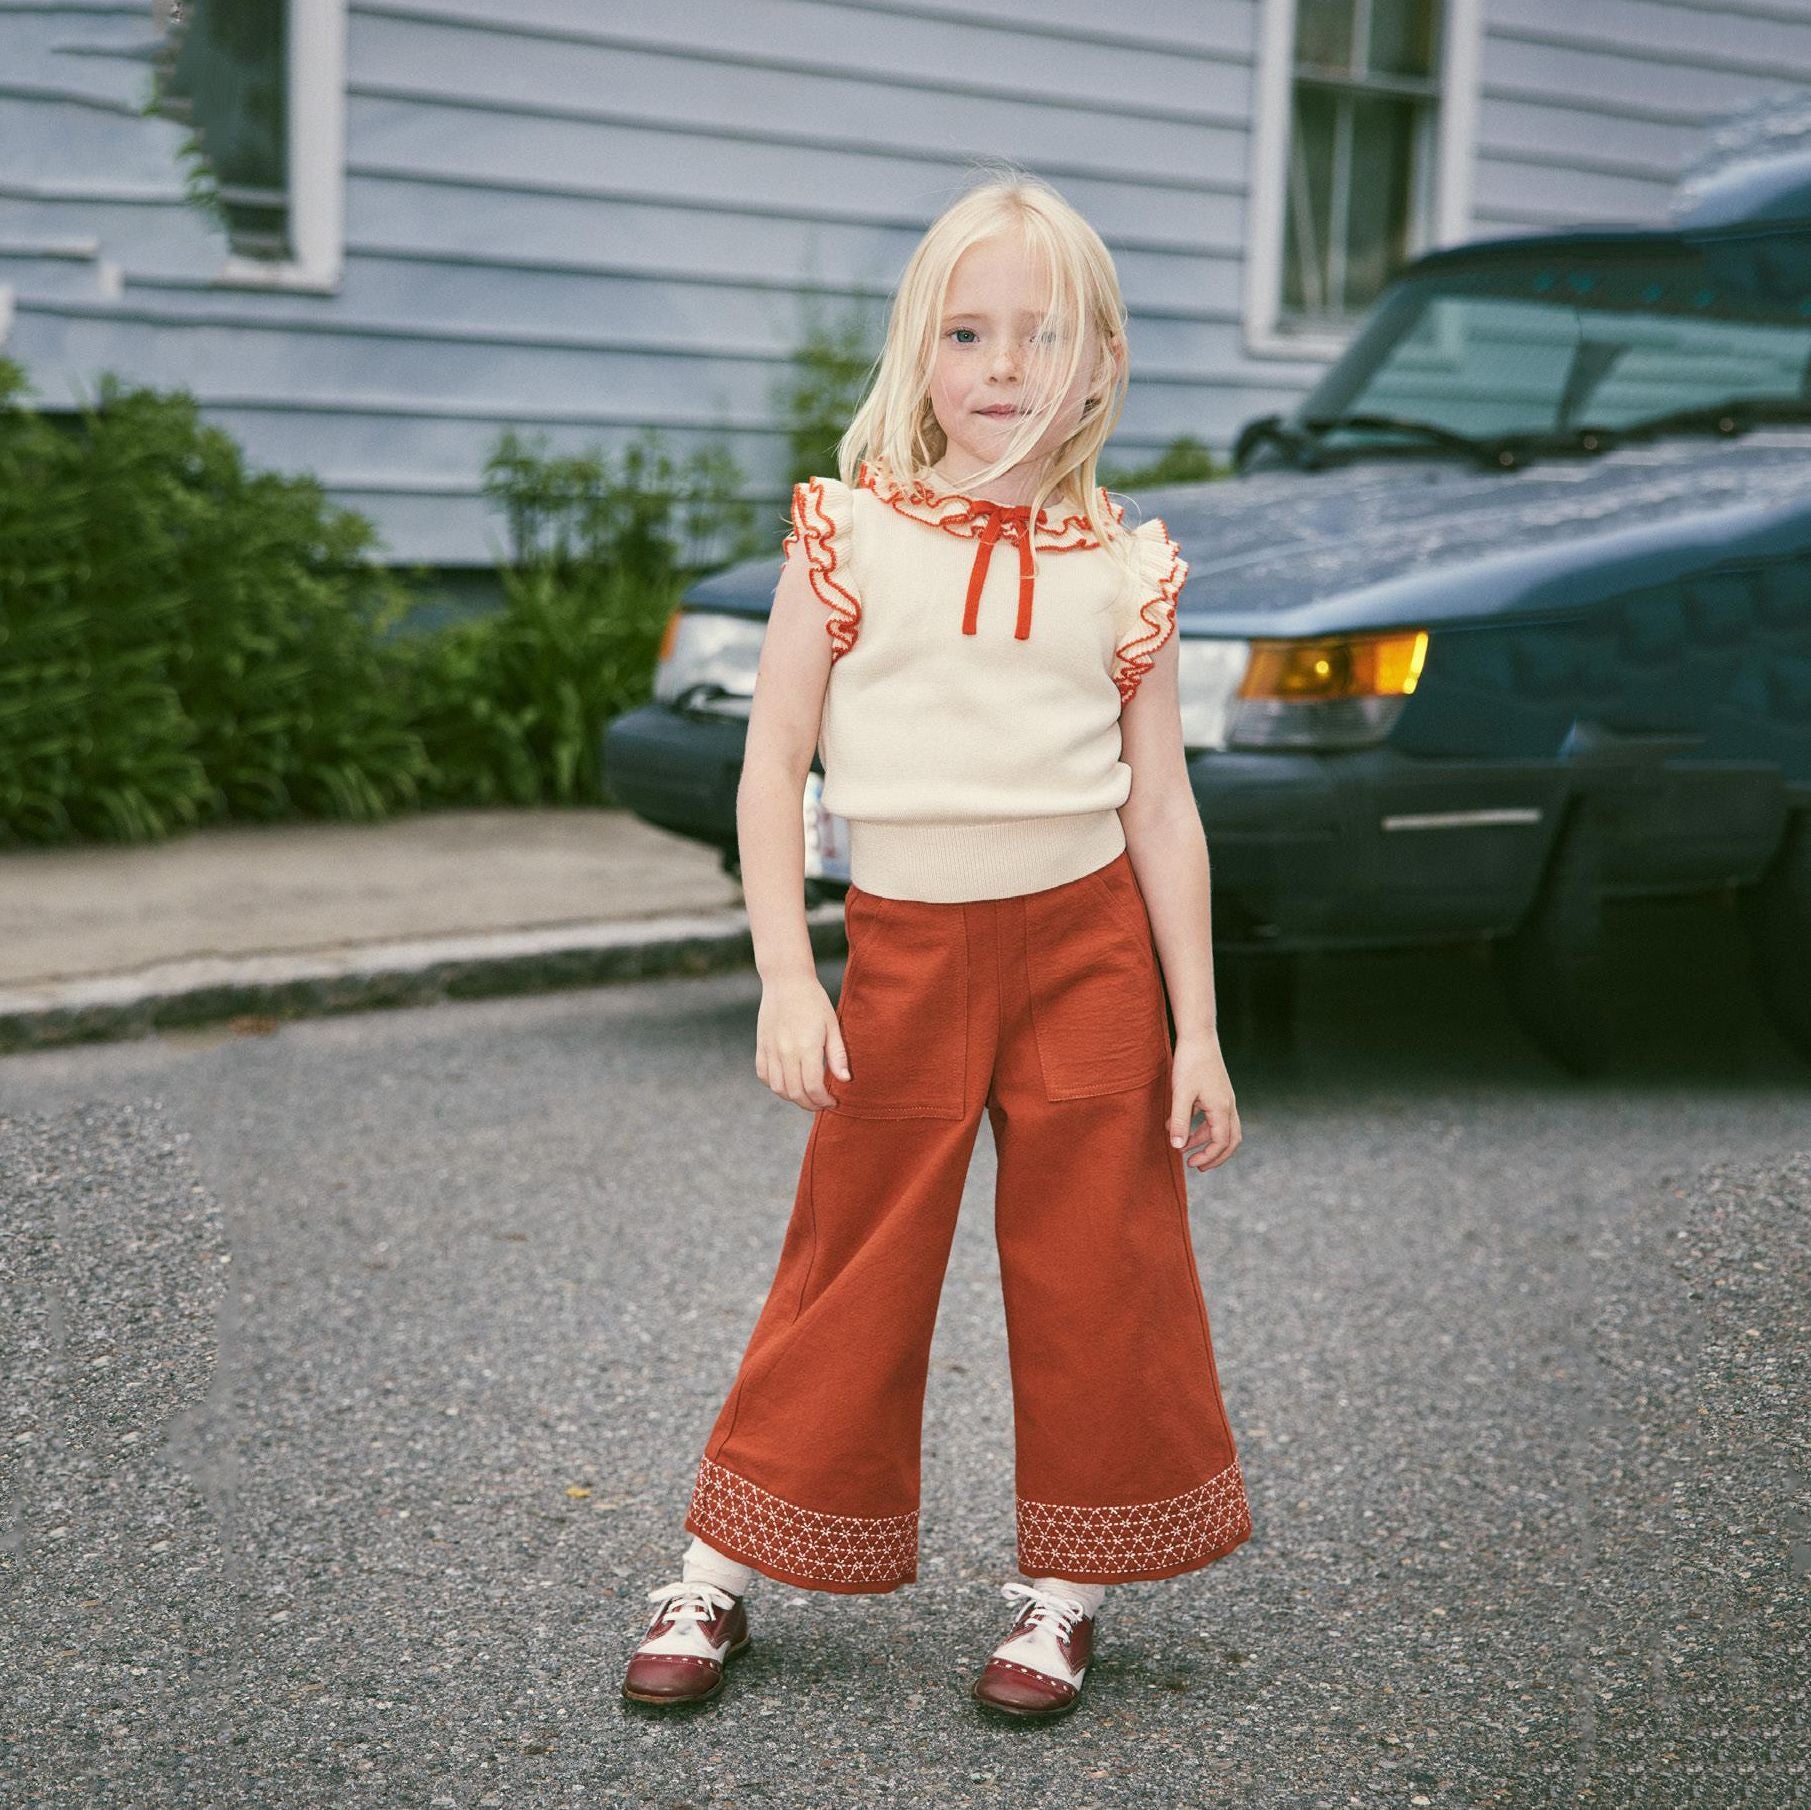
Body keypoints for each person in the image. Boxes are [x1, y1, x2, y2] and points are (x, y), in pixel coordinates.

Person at [622, 169, 1250, 1720]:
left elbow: (1162, 805)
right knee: (852, 1259)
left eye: (1043, 335)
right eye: (968, 333)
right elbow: (773, 761)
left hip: (1087, 954)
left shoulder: (1127, 568)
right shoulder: (849, 535)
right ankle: (716, 1567)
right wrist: (787, 973)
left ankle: (1064, 1591)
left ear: (1101, 363)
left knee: (1099, 1262)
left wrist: (1199, 1028)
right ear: (919, 347)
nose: (1003, 368)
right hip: (904, 948)